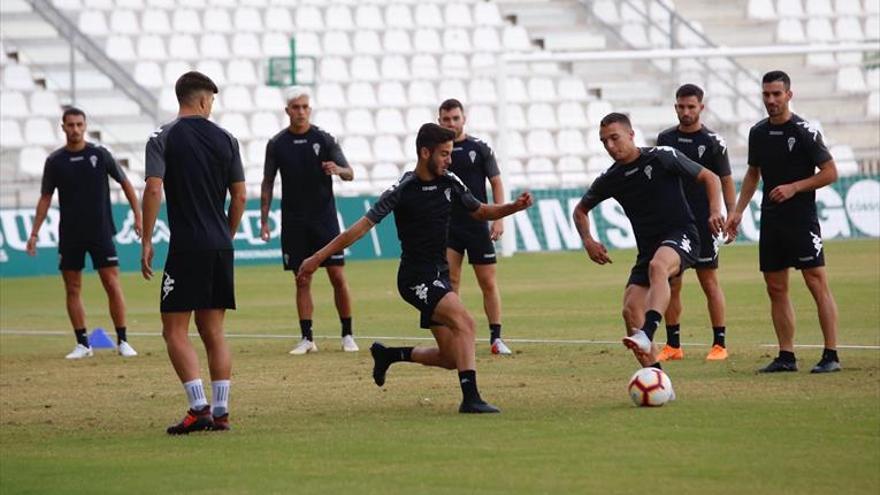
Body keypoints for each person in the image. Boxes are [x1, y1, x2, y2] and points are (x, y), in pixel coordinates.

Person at [297, 123, 533, 413]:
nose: (450, 159)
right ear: (425, 152)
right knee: (467, 324)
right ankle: (471, 399)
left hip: (439, 276)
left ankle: (389, 355)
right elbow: (358, 230)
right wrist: (317, 258)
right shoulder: (403, 189)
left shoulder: (450, 180)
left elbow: (480, 211)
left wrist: (513, 207)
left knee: (451, 357)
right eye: (445, 154)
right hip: (415, 278)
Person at [573, 113, 723, 372]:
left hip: (682, 235)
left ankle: (648, 332)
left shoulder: (662, 156)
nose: (610, 146)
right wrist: (588, 240)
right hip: (648, 249)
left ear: (631, 135)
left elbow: (710, 177)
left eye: (614, 138)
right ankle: (656, 378)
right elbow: (580, 210)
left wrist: (714, 211)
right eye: (604, 141)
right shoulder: (612, 177)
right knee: (631, 310)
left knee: (658, 267)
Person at [141, 71, 247, 434]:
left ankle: (198, 407)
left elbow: (154, 189)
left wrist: (146, 239)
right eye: (211, 101)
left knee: (174, 330)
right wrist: (226, 235)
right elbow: (241, 196)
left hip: (186, 247)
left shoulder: (162, 137)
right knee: (213, 330)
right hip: (219, 244)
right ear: (203, 100)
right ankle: (221, 412)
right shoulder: (227, 139)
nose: (211, 107)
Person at [725, 70, 841, 374]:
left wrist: (794, 187)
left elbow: (830, 172)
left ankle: (831, 354)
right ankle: (786, 356)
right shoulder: (758, 132)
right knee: (775, 287)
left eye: (777, 94)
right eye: (766, 94)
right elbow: (753, 173)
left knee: (816, 283)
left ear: (789, 95)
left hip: (802, 219)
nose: (771, 100)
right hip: (772, 220)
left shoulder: (805, 131)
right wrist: (738, 211)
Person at [26, 107, 141, 360]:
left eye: (79, 124)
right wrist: (34, 233)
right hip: (70, 234)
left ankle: (123, 341)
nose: (75, 129)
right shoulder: (55, 161)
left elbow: (126, 184)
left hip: (100, 231)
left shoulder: (100, 155)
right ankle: (83, 344)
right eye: (70, 125)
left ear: (85, 126)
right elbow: (46, 197)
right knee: (72, 288)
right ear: (63, 127)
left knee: (112, 284)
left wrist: (138, 215)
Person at [261, 86, 358, 355]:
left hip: (325, 220)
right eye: (296, 107)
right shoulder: (277, 144)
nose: (301, 112)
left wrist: (337, 170)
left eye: (305, 107)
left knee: (337, 276)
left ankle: (348, 334)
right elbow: (268, 182)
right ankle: (307, 338)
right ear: (287, 111)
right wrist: (264, 220)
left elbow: (350, 173)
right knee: (302, 278)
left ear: (309, 109)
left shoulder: (325, 139)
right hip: (294, 221)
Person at [655, 84, 736, 362]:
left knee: (708, 281)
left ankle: (719, 344)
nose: (685, 111)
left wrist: (731, 213)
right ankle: (673, 345)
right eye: (680, 106)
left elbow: (725, 179)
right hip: (675, 220)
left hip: (705, 221)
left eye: (691, 107)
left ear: (701, 107)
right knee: (671, 281)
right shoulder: (665, 138)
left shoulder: (713, 142)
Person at [437, 99, 512, 355]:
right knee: (451, 281)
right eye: (446, 119)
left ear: (464, 119)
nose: (451, 123)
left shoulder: (479, 148)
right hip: (449, 227)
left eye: (455, 118)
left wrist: (499, 217)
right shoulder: (437, 152)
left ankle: (496, 338)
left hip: (478, 225)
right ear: (440, 121)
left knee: (488, 282)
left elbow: (496, 182)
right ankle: (456, 335)